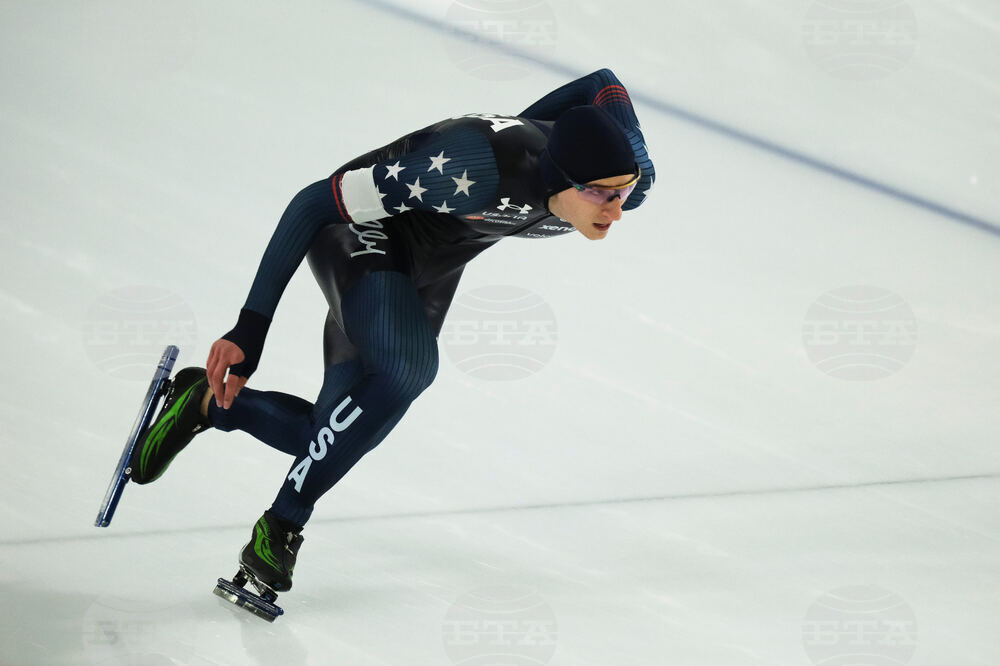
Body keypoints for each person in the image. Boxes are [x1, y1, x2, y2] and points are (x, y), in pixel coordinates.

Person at [129, 68, 655, 594]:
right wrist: (251, 328)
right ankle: (281, 526)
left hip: (435, 266)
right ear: (560, 176)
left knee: (334, 432)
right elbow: (312, 202)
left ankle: (208, 403)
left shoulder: (626, 176)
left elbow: (600, 84)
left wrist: (531, 127)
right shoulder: (467, 169)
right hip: (360, 231)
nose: (618, 209)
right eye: (602, 194)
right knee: (409, 369)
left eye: (623, 191)